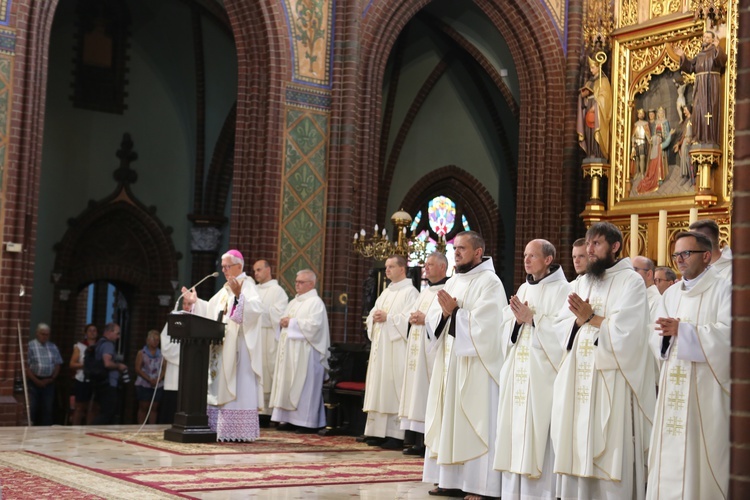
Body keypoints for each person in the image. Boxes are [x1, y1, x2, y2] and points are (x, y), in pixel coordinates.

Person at [550, 222, 655, 500]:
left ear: (615, 246)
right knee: (574, 437)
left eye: (596, 243)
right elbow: (560, 325)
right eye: (588, 243)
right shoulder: (583, 281)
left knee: (608, 443)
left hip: (611, 377)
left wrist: (590, 318)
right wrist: (579, 320)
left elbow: (630, 333)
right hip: (578, 375)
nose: (589, 249)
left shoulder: (630, 281)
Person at [423, 231, 506, 500]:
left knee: (474, 422)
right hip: (450, 362)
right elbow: (435, 316)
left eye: (461, 249)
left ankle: (479, 486)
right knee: (448, 419)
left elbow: (489, 326)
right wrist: (446, 313)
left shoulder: (490, 283)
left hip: (476, 367)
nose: (456, 253)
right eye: (454, 248)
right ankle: (449, 480)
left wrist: (456, 313)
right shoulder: (455, 280)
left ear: (478, 253)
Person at [647, 231, 731, 499]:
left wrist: (684, 331)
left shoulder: (725, 288)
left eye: (686, 253)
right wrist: (666, 336)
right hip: (673, 384)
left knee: (699, 455)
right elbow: (655, 335)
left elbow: (730, 335)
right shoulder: (670, 294)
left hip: (704, 389)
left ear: (706, 256)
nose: (680, 260)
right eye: (676, 255)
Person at [494, 239, 570, 499]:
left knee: (540, 431)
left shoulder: (564, 290)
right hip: (518, 371)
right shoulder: (524, 288)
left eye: (532, 256)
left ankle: (539, 494)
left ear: (548, 260)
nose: (526, 260)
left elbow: (565, 333)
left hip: (543, 375)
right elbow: (506, 328)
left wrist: (533, 319)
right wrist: (516, 323)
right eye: (525, 255)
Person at [181, 249, 264, 441]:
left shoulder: (248, 286)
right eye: (223, 267)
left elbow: (254, 311)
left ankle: (237, 431)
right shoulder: (225, 289)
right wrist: (196, 303)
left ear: (239, 266)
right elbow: (211, 310)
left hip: (239, 351)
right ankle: (218, 427)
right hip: (222, 347)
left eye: (228, 266)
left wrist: (238, 296)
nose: (225, 270)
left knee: (237, 384)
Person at [363, 254, 419, 449]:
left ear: (402, 269)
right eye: (386, 267)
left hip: (396, 349)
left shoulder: (410, 293)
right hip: (381, 348)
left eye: (391, 267)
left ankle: (395, 434)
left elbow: (409, 320)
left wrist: (389, 317)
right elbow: (373, 313)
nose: (386, 270)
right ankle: (376, 432)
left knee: (392, 387)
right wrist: (374, 317)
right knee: (378, 386)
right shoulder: (386, 292)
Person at [398, 252, 449, 456]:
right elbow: (409, 316)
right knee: (414, 391)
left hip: (431, 353)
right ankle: (413, 440)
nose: (425, 268)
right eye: (425, 264)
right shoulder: (424, 292)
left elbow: (444, 319)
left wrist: (425, 318)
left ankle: (425, 442)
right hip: (416, 351)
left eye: (430, 264)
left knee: (426, 392)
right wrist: (411, 319)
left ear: (443, 267)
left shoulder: (447, 290)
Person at [269, 269, 329, 432]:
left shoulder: (315, 302)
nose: (297, 285)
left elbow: (315, 326)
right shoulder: (293, 302)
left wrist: (292, 323)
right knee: (288, 383)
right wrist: (283, 322)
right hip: (290, 352)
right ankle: (288, 419)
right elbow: (286, 321)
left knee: (304, 386)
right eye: (296, 282)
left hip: (306, 353)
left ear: (312, 284)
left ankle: (306, 422)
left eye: (301, 282)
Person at [252, 259, 289, 428]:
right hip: (254, 336)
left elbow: (280, 315)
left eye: (259, 270)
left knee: (267, 372)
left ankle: (266, 412)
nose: (256, 273)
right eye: (254, 271)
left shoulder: (277, 291)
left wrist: (261, 309)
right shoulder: (252, 290)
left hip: (268, 337)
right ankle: (252, 408)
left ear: (268, 270)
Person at [675, 31, 727, 146]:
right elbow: (689, 67)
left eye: (708, 37)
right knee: (698, 110)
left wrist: (718, 48)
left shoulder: (714, 52)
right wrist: (683, 56)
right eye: (704, 37)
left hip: (710, 85)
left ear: (713, 40)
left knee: (709, 110)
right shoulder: (699, 55)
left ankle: (709, 139)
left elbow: (722, 61)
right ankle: (698, 137)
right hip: (699, 86)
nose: (705, 39)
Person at [25, 323, 63, 425]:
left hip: (49, 381)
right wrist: (36, 380)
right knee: (33, 407)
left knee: (47, 408)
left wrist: (52, 378)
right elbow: (26, 366)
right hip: (34, 381)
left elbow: (57, 364)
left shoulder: (53, 347)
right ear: (37, 334)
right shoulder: (30, 346)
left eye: (47, 334)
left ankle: (45, 432)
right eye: (42, 334)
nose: (44, 336)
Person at [577, 54, 612, 161]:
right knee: (589, 132)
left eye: (593, 68)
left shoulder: (604, 81)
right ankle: (590, 152)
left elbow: (606, 98)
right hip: (589, 109)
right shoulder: (589, 82)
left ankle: (598, 152)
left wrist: (596, 105)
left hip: (598, 111)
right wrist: (583, 97)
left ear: (598, 67)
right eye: (590, 68)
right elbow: (584, 100)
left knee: (596, 131)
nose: (591, 70)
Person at [93, 323, 128, 425]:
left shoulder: (99, 343)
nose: (118, 337)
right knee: (108, 412)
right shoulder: (108, 345)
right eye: (117, 333)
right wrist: (119, 366)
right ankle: (92, 429)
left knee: (106, 410)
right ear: (109, 332)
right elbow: (107, 363)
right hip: (108, 383)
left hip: (101, 382)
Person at [69, 323, 99, 425]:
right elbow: (72, 364)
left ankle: (89, 428)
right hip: (82, 379)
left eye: (94, 330)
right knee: (80, 406)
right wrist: (85, 365)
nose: (92, 333)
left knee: (93, 407)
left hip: (95, 379)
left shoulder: (100, 347)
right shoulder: (80, 346)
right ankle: (75, 429)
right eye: (90, 330)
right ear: (86, 333)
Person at [637, 107, 671, 194]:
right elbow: (652, 133)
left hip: (661, 142)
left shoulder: (665, 122)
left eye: (661, 113)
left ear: (663, 113)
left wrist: (664, 137)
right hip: (656, 143)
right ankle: (657, 177)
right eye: (659, 113)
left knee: (662, 161)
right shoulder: (655, 123)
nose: (660, 114)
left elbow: (667, 133)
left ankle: (661, 176)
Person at [134, 330, 165, 425]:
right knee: (143, 406)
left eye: (157, 340)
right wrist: (149, 379)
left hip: (157, 384)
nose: (156, 342)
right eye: (154, 339)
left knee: (154, 407)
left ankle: (152, 427)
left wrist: (158, 379)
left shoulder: (162, 354)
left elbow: (164, 368)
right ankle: (141, 426)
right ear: (148, 340)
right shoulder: (142, 353)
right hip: (144, 383)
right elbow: (137, 368)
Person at [632, 255, 661, 320]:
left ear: (649, 274)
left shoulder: (657, 302)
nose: (630, 274)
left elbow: (653, 328)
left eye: (634, 269)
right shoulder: (629, 298)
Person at [673, 105, 694, 184]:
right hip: (684, 141)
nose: (684, 112)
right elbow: (682, 133)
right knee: (683, 159)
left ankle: (691, 177)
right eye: (684, 110)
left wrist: (692, 139)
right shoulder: (685, 121)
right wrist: (679, 143)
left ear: (689, 110)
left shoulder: (692, 119)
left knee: (688, 159)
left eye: (685, 110)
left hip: (689, 141)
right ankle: (685, 176)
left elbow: (695, 131)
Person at [631, 108, 651, 177]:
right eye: (640, 113)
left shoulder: (645, 123)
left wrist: (649, 140)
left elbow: (647, 133)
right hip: (636, 142)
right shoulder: (636, 124)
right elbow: (633, 135)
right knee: (637, 158)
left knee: (642, 157)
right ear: (638, 115)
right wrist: (633, 143)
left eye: (642, 114)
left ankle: (642, 172)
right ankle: (637, 172)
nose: (641, 115)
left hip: (642, 141)